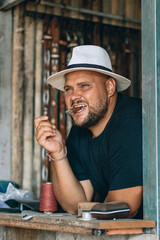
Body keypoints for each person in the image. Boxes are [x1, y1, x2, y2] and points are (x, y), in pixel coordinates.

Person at [34, 45, 142, 218]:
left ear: (109, 88)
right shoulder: (80, 130)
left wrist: (88, 208)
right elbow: (75, 205)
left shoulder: (131, 120)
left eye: (84, 86)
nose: (74, 96)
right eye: (68, 89)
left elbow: (122, 208)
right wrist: (58, 152)